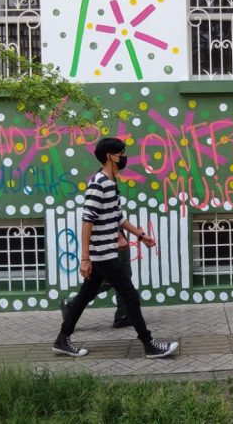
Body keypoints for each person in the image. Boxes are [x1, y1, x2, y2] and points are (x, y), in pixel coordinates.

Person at [52, 137, 179, 359]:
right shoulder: (98, 183)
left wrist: (141, 236)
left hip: (105, 251)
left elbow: (118, 217)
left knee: (84, 296)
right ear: (109, 156)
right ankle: (149, 344)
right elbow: (87, 220)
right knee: (130, 295)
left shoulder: (111, 183)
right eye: (121, 153)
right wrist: (85, 258)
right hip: (102, 254)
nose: (124, 157)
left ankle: (62, 339)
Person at [60, 231, 133, 328]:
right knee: (112, 279)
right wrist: (119, 235)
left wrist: (140, 235)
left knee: (122, 278)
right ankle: (72, 303)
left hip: (114, 238)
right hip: (112, 239)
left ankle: (122, 316)